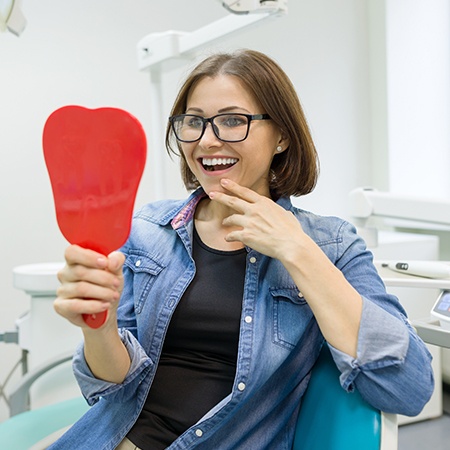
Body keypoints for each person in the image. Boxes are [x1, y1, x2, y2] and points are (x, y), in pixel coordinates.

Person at [49, 49, 434, 450]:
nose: (207, 140)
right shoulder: (148, 230)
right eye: (193, 122)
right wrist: (99, 327)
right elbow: (112, 391)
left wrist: (297, 250)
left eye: (233, 121)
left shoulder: (331, 245)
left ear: (282, 136)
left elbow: (408, 388)